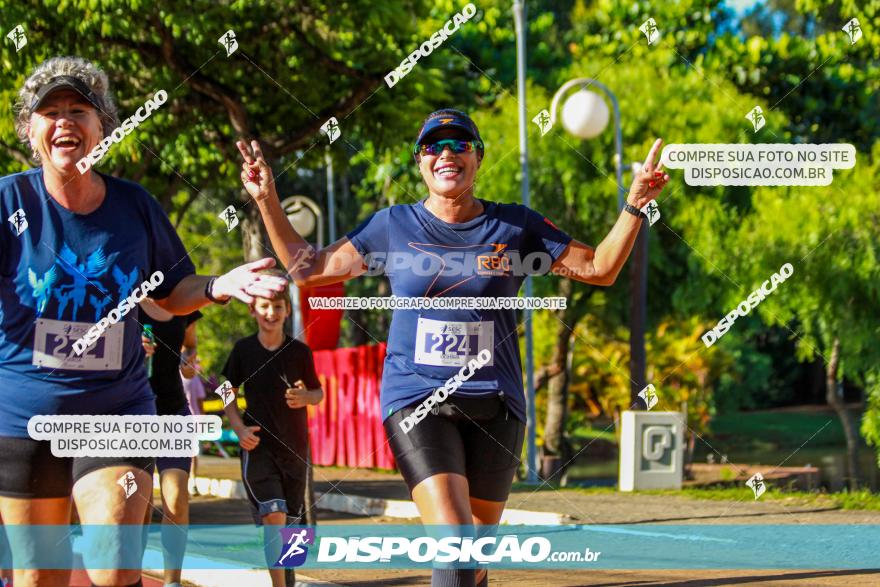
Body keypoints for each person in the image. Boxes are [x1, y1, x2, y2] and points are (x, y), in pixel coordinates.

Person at [237, 108, 669, 587]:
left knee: (474, 562)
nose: (447, 153)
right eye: (433, 147)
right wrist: (267, 198)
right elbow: (308, 268)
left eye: (460, 144)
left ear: (478, 159)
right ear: (419, 164)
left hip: (498, 406)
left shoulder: (515, 226)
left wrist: (634, 206)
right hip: (417, 402)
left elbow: (599, 269)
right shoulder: (392, 226)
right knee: (456, 544)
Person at [0, 56, 287, 587]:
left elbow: (174, 289)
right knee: (38, 578)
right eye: (50, 112)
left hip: (116, 410)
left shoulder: (135, 207)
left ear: (102, 127)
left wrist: (216, 288)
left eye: (79, 110)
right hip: (23, 419)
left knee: (113, 562)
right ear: (30, 130)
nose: (65, 121)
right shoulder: (9, 200)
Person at [221, 271, 324, 587]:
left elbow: (318, 393)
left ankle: (287, 577)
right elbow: (225, 390)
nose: (271, 313)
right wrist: (238, 428)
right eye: (264, 306)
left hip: (295, 449)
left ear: (287, 311)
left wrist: (305, 396)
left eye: (277, 307)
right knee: (274, 513)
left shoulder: (299, 352)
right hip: (258, 447)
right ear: (253, 310)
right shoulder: (243, 350)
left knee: (292, 524)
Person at [139, 298, 201, 587]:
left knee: (176, 499)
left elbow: (190, 346)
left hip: (173, 413)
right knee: (136, 504)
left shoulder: (184, 302)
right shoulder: (122, 301)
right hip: (131, 415)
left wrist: (189, 362)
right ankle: (130, 577)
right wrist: (130, 351)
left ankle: (171, 583)